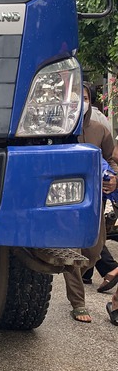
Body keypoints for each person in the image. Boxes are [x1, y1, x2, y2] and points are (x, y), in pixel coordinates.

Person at [64, 82, 118, 322]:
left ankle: (72, 271)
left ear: (90, 101)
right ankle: (78, 303)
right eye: (75, 97)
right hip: (65, 200)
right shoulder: (59, 131)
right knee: (71, 251)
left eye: (84, 97)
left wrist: (114, 179)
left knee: (93, 252)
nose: (80, 101)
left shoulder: (100, 129)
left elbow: (111, 159)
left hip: (94, 200)